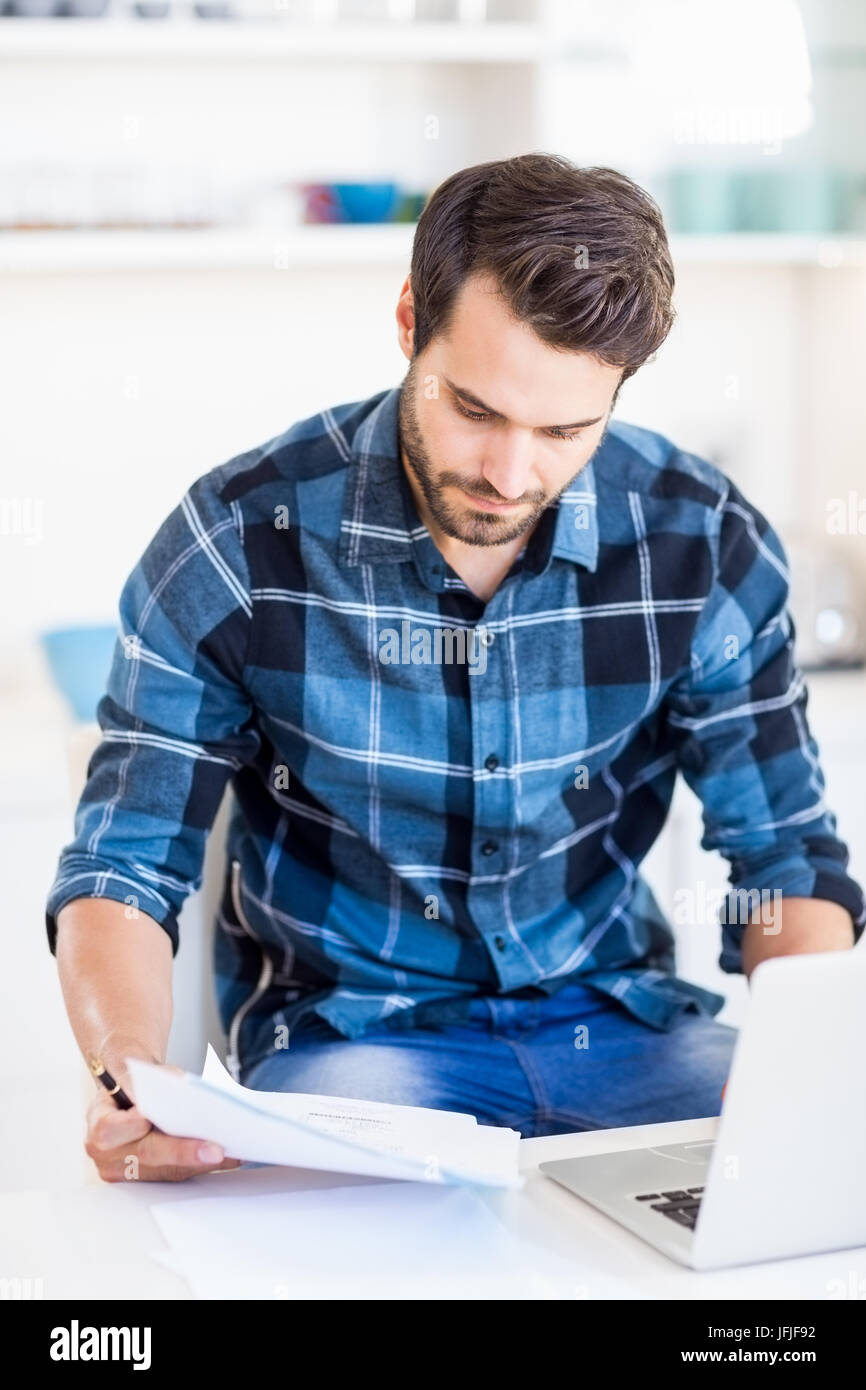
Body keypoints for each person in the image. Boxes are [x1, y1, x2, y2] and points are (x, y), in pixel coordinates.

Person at [47, 153, 864, 1183]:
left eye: (565, 429)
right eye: (474, 409)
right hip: (357, 1049)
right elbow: (124, 866)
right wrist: (124, 1072)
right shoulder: (238, 542)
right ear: (406, 322)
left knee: (812, 1214)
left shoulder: (697, 542)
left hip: (625, 1031)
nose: (509, 474)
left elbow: (783, 857)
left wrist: (797, 1073)